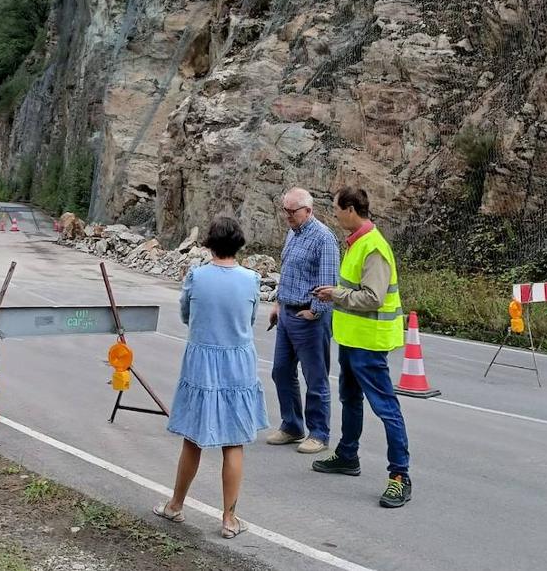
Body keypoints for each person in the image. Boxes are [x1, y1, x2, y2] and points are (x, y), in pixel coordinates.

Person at [155, 216, 268, 539]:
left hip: (202, 360)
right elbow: (248, 318)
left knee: (193, 438)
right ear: (239, 244)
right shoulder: (251, 279)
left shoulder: (196, 276)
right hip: (238, 361)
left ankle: (176, 505)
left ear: (209, 244)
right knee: (234, 442)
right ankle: (229, 518)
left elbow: (186, 314)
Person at [310, 186, 411, 508]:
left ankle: (400, 476)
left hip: (370, 342)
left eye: (337, 208)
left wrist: (335, 295)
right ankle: (347, 455)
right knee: (350, 399)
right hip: (353, 339)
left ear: (351, 209)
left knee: (386, 408)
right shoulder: (356, 243)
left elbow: (373, 297)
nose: (335, 214)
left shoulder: (373, 247)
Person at [267, 187, 340, 455]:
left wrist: (315, 311)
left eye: (291, 211)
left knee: (315, 377)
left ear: (308, 211)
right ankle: (292, 426)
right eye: (284, 210)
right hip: (287, 313)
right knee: (281, 371)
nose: (287, 215)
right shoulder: (292, 233)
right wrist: (278, 303)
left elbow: (330, 280)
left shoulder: (323, 238)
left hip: (309, 317)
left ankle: (319, 433)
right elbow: (287, 271)